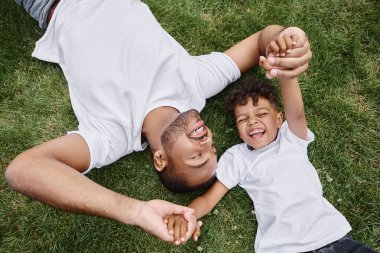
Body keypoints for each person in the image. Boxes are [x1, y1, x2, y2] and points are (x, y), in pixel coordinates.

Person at [5, 0, 311, 243]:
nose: (207, 141)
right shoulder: (198, 85)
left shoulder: (111, 136)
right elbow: (262, 39)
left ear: (160, 158)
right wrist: (282, 40)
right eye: (213, 147)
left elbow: (23, 169)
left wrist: (135, 211)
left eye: (196, 157)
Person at [165, 40, 378, 252]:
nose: (252, 121)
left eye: (262, 114)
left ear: (278, 120)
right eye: (242, 119)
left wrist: (286, 73)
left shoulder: (291, 138)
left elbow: (296, 112)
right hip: (282, 248)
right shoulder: (237, 157)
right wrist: (185, 213)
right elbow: (208, 199)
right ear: (238, 129)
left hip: (334, 239)